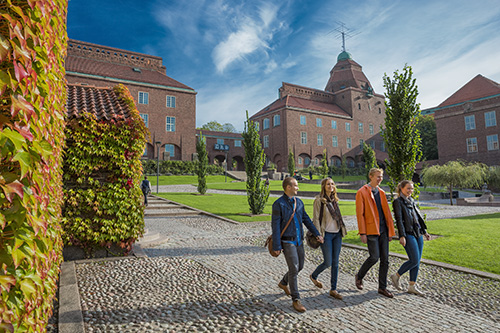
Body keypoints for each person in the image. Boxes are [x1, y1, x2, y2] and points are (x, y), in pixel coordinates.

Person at [271, 177, 323, 313]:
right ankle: (296, 299)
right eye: (295, 186)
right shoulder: (278, 204)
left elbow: (306, 220)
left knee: (300, 266)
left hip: (299, 241)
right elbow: (275, 227)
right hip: (287, 242)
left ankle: (283, 282)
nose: (298, 188)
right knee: (294, 268)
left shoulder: (299, 203)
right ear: (288, 187)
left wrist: (317, 234)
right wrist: (277, 246)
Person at [354, 168, 396, 298]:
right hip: (371, 230)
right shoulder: (362, 192)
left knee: (385, 260)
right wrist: (362, 232)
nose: (380, 179)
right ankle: (359, 276)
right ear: (370, 176)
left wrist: (390, 231)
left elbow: (387, 214)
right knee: (374, 257)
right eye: (378, 176)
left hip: (383, 230)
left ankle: (382, 288)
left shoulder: (382, 192)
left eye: (381, 176)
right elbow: (360, 214)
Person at [390, 180, 431, 296]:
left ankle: (412, 286)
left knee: (417, 261)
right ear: (401, 188)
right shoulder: (398, 202)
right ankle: (396, 276)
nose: (410, 191)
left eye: (412, 189)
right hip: (408, 233)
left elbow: (418, 217)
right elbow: (399, 220)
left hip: (418, 232)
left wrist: (424, 231)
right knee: (414, 259)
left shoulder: (412, 200)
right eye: (408, 188)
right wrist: (401, 235)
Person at [310, 178, 347, 300]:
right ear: (323, 186)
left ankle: (333, 289)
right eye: (328, 184)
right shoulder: (319, 200)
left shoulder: (335, 200)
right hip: (326, 235)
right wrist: (318, 234)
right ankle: (314, 275)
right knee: (328, 262)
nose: (330, 186)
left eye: (332, 183)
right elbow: (316, 218)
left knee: (336, 263)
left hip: (337, 234)